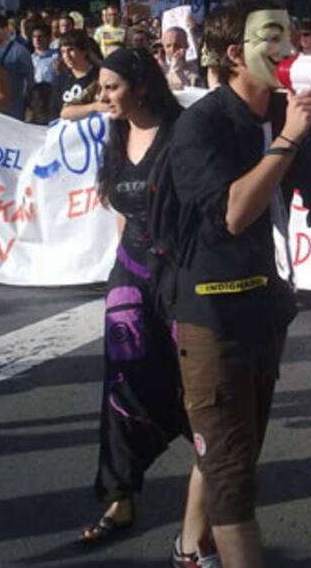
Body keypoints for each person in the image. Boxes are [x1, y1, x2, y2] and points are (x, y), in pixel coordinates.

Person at [169, 0, 311, 566]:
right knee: (233, 482)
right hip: (212, 318)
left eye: (291, 35)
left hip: (264, 310)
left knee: (231, 454)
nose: (288, 49)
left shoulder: (280, 117)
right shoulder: (201, 125)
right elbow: (233, 212)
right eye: (272, 38)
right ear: (232, 54)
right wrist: (289, 137)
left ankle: (186, 550)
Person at [77, 48, 207, 557]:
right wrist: (121, 273)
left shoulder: (183, 134)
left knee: (195, 380)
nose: (101, 96)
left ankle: (215, 472)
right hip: (130, 275)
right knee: (122, 383)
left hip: (180, 277)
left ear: (143, 87)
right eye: (100, 88)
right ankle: (119, 495)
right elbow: (121, 213)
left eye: (111, 87)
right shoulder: (113, 134)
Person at [0, 14, 33, 121]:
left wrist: (29, 106)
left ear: (6, 29)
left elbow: (30, 80)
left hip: (13, 111)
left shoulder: (20, 51)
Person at [56, 30, 104, 120]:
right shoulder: (62, 80)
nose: (67, 56)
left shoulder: (100, 76)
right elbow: (57, 112)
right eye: (63, 51)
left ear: (83, 51)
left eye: (71, 50)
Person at [161, 26, 201, 91]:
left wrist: (178, 70)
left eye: (177, 45)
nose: (172, 49)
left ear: (186, 45)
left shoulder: (197, 68)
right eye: (168, 46)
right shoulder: (161, 71)